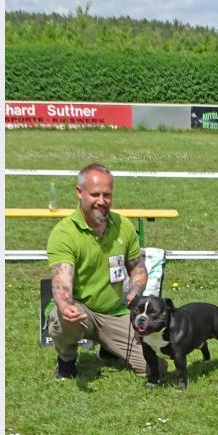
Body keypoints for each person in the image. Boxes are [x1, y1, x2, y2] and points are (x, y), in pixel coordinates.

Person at [46, 162, 165, 379]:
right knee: (62, 318)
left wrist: (135, 292)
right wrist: (64, 305)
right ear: (79, 192)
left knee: (156, 367)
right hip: (81, 310)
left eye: (107, 195)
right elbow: (61, 279)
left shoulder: (123, 225)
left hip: (115, 312)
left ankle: (110, 347)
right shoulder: (64, 233)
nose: (101, 201)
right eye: (95, 194)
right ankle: (66, 361)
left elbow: (137, 266)